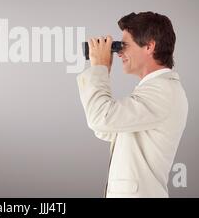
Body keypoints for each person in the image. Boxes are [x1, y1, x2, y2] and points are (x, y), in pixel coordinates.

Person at [76, 11, 188, 198]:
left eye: (124, 45)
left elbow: (100, 119)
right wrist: (101, 71)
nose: (119, 53)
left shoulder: (163, 91)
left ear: (149, 46)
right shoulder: (156, 89)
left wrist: (99, 70)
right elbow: (107, 129)